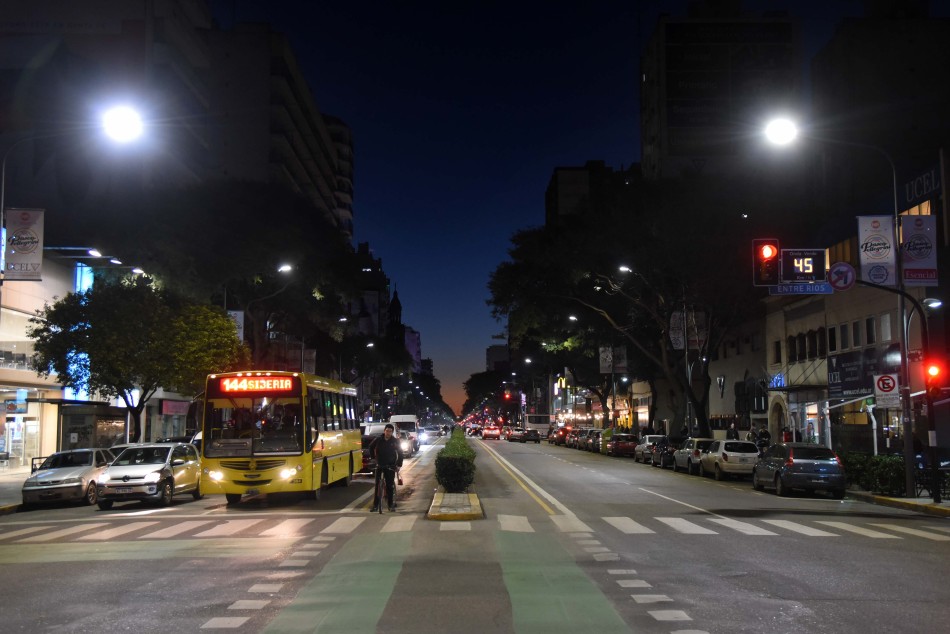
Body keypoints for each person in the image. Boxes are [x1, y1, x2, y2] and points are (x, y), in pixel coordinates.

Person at [369, 423, 404, 512]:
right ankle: (375, 506)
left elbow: (400, 453)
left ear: (392, 432)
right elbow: (371, 447)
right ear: (384, 431)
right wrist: (373, 458)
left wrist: (399, 465)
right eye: (387, 431)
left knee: (389, 485)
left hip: (390, 465)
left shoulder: (395, 441)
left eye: (390, 431)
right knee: (377, 486)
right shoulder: (378, 439)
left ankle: (390, 505)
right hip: (379, 464)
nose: (388, 433)